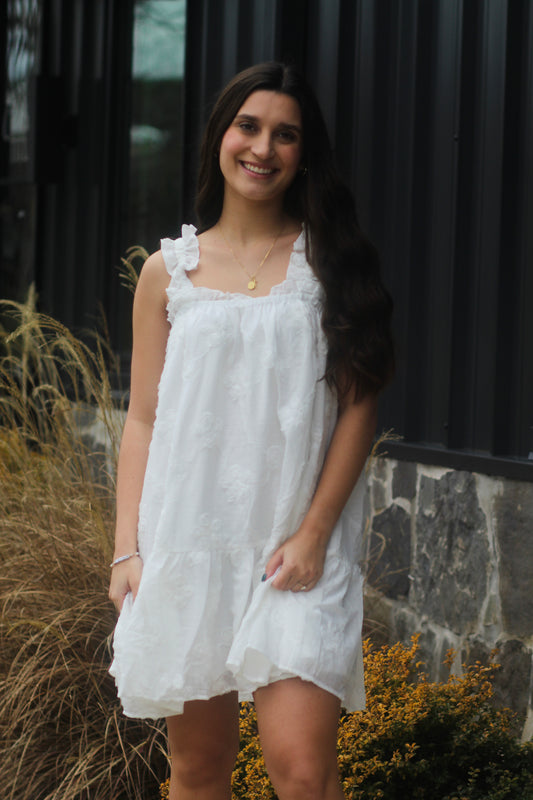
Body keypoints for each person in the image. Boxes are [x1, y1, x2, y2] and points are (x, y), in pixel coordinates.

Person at [109, 61, 394, 800]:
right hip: (189, 543)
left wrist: (312, 533)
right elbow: (142, 417)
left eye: (285, 134)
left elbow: (360, 403)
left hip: (295, 548)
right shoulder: (168, 273)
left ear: (305, 154)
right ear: (219, 137)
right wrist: (126, 552)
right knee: (198, 772)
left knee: (302, 772)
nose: (263, 148)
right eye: (248, 126)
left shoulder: (328, 264)